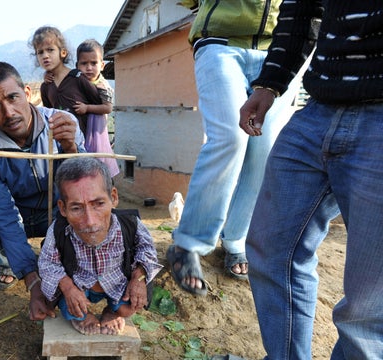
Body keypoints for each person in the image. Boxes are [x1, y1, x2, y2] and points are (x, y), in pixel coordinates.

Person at [239, 3, 383, 359]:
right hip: (318, 109)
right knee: (271, 254)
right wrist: (269, 83)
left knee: (369, 306)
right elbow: (299, 11)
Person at [166, 0, 300, 296]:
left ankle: (236, 239)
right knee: (230, 136)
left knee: (263, 151)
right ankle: (187, 243)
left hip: (283, 48)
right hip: (220, 43)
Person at [0, 62, 84, 320]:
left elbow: (83, 185)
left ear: (27, 92)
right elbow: (5, 216)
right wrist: (33, 282)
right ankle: (21, 264)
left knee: (84, 218)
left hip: (59, 212)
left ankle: (52, 256)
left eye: (13, 97)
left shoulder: (61, 124)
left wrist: (70, 149)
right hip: (20, 217)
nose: (8, 112)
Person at [38, 157, 162, 335]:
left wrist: (138, 278)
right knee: (72, 309)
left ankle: (112, 311)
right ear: (63, 208)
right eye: (76, 208)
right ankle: (82, 314)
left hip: (118, 284)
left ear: (113, 197)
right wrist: (68, 287)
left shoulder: (131, 225)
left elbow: (148, 252)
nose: (89, 221)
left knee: (128, 308)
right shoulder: (58, 231)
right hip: (79, 286)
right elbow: (47, 263)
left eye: (99, 204)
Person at [30, 26, 104, 143]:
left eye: (50, 50)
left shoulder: (78, 78)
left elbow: (100, 104)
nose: (45, 56)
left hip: (84, 146)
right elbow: (49, 115)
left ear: (63, 52)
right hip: (59, 146)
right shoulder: (46, 86)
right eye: (40, 52)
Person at [75, 39, 119, 177]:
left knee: (96, 158)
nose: (89, 68)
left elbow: (107, 108)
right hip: (84, 126)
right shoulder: (78, 79)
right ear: (77, 65)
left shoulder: (102, 86)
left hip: (97, 128)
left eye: (93, 63)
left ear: (102, 65)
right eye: (84, 63)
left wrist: (87, 108)